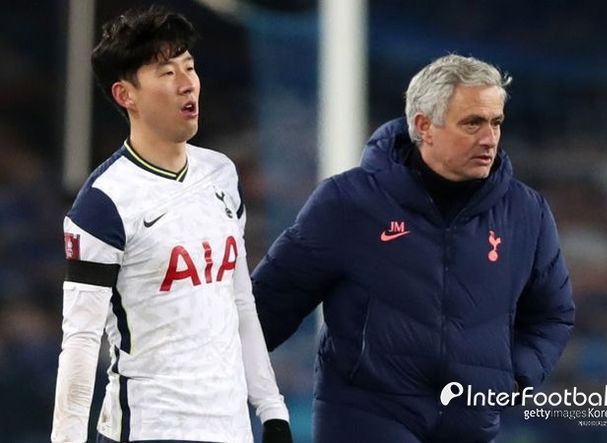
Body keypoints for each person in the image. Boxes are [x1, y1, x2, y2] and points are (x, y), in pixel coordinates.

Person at [252, 54, 575, 442]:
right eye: (472, 123)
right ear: (424, 126)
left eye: (496, 122)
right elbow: (268, 305)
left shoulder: (526, 212)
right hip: (364, 418)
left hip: (469, 424)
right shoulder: (348, 202)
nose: (489, 138)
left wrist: (514, 377)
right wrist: (210, 379)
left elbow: (552, 313)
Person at [51, 6, 292, 443]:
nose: (187, 83)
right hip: (150, 427)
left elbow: (239, 302)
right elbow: (81, 341)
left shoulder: (221, 175)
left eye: (190, 66)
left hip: (231, 428)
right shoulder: (104, 203)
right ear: (126, 95)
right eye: (167, 72)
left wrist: (271, 409)